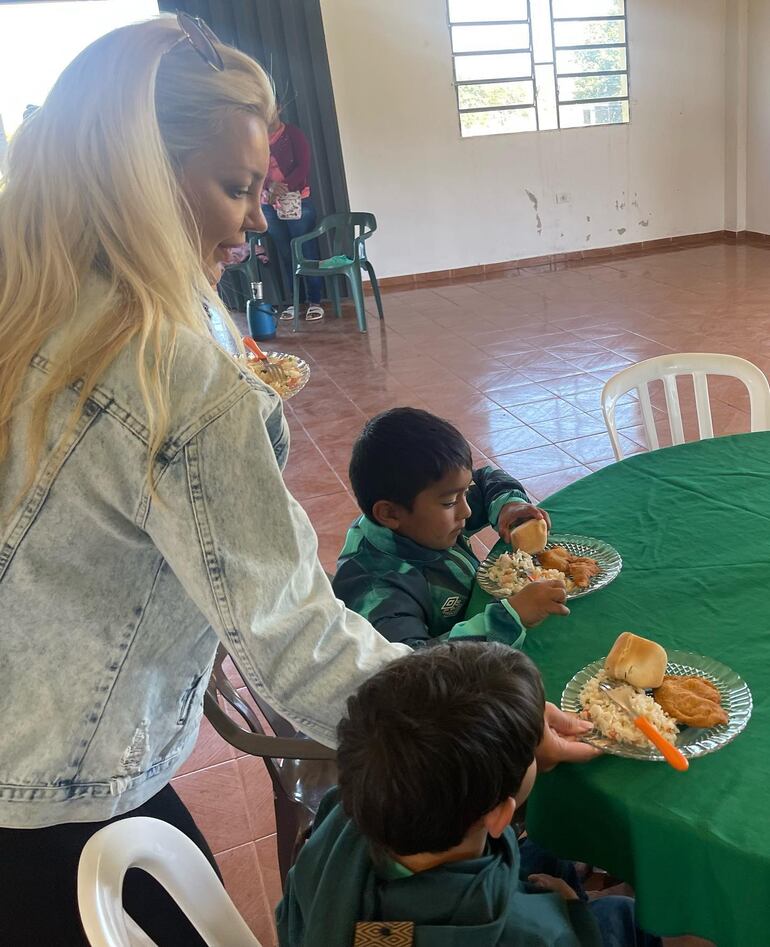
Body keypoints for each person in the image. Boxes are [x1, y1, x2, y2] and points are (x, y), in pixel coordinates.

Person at [0, 15, 415, 944]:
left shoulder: (27, 296)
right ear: (141, 179)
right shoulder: (176, 371)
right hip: (61, 801)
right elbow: (290, 635)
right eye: (237, 188)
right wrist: (472, 712)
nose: (259, 217)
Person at [277, 643, 660, 947]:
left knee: (547, 853)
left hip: (380, 916)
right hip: (507, 923)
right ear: (498, 816)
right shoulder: (537, 935)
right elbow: (553, 935)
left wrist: (515, 734)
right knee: (622, 915)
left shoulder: (348, 810)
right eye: (532, 750)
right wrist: (573, 913)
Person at [333, 406, 571, 649]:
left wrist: (508, 506)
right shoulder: (376, 590)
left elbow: (485, 480)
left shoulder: (425, 520)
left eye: (465, 493)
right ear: (390, 513)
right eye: (449, 502)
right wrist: (510, 618)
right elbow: (414, 667)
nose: (466, 511)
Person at [262, 107, 325, 322]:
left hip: (298, 201)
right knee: (285, 253)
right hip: (269, 204)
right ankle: (293, 301)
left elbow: (303, 166)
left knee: (305, 250)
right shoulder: (255, 139)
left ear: (278, 109)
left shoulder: (293, 134)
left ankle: (315, 301)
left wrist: (284, 186)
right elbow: (250, 168)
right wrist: (269, 188)